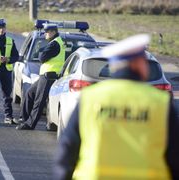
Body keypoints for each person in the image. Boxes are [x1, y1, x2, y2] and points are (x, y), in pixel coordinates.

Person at [54, 34, 179, 179]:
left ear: (114, 66)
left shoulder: (90, 98)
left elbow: (68, 150)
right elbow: (174, 155)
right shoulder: (159, 102)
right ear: (137, 63)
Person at [16, 23, 65, 130]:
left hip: (49, 76)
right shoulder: (55, 42)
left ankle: (30, 124)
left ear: (53, 32)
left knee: (39, 101)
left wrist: (40, 52)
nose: (45, 34)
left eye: (47, 32)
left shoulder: (54, 44)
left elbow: (42, 58)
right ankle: (24, 119)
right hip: (45, 75)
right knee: (30, 93)